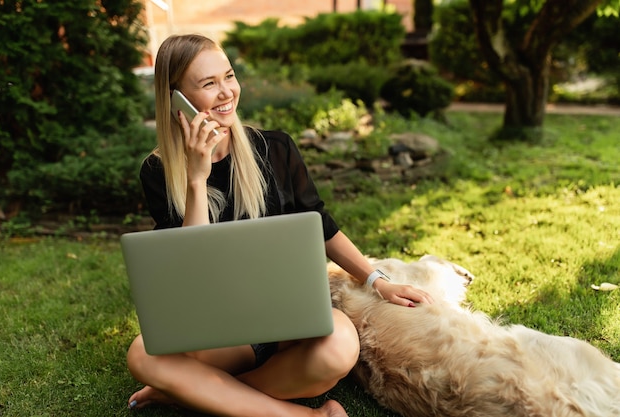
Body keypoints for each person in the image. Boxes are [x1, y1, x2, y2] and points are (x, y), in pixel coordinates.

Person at [126, 33, 434, 417]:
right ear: (177, 101)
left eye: (229, 76)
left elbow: (320, 223)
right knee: (142, 354)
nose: (226, 93)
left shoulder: (275, 148)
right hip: (220, 332)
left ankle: (191, 391)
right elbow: (193, 265)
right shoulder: (159, 171)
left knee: (339, 347)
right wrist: (196, 179)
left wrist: (378, 280)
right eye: (208, 84)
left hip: (290, 322)